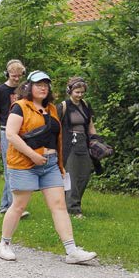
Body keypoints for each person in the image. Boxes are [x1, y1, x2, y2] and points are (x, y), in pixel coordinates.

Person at [0, 71, 96, 264]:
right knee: (19, 206)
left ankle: (71, 250)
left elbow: (57, 139)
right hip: (24, 164)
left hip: (50, 165)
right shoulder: (20, 107)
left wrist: (59, 164)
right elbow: (11, 135)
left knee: (59, 206)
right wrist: (33, 155)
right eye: (38, 84)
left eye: (46, 85)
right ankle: (4, 245)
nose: (43, 87)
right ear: (28, 87)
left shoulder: (51, 108)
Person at [0, 60, 29, 218]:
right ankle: (9, 207)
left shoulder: (25, 90)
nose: (16, 79)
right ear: (7, 74)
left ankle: (7, 206)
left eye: (19, 76)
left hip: (22, 133)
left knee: (19, 169)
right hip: (6, 132)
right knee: (10, 170)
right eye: (13, 76)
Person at [59, 77, 97, 218]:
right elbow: (56, 128)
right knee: (72, 175)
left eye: (82, 92)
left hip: (83, 142)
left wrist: (95, 140)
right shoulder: (63, 106)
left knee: (85, 173)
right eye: (77, 92)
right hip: (69, 143)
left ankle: (69, 202)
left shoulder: (86, 105)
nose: (80, 95)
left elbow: (90, 124)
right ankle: (74, 209)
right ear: (70, 91)